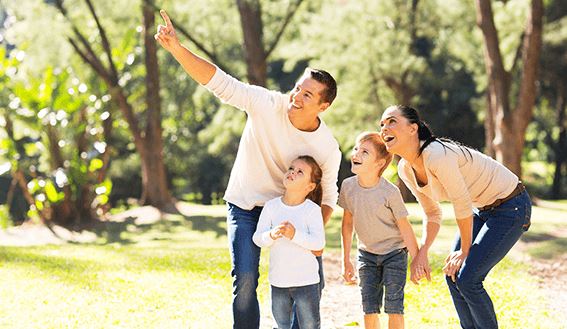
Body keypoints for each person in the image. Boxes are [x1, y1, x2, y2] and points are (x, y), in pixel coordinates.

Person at [155, 10, 342, 329]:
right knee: (244, 280)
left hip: (290, 212)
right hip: (244, 205)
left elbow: (328, 198)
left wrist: (307, 232)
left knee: (312, 282)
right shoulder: (266, 104)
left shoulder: (326, 146)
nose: (296, 97)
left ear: (323, 106)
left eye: (307, 95)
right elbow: (219, 81)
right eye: (298, 88)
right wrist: (176, 48)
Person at [378, 105, 532, 329]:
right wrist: (422, 252)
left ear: (413, 128)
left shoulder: (436, 154)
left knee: (468, 279)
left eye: (391, 121)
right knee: (453, 276)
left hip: (511, 206)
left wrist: (465, 251)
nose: (384, 128)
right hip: (482, 209)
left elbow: (461, 204)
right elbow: (432, 213)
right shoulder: (405, 169)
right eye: (382, 124)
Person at [339, 132, 419, 329]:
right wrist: (345, 260)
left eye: (364, 151)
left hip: (395, 253)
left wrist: (417, 259)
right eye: (357, 148)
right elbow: (347, 224)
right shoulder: (348, 186)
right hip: (366, 255)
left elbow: (405, 228)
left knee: (394, 307)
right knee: (369, 307)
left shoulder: (390, 192)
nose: (356, 153)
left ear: (379, 163)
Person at [253, 155, 325, 329]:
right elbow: (257, 238)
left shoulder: (312, 210)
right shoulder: (271, 207)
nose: (292, 172)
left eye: (300, 171)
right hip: (279, 282)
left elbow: (318, 243)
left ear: (310, 186)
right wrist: (270, 235)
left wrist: (295, 235)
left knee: (309, 325)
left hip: (306, 282)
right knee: (281, 325)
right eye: (291, 168)